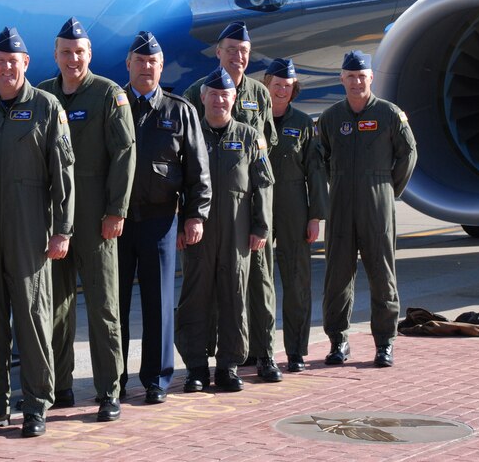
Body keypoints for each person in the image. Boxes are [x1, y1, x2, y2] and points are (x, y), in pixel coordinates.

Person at [0, 27, 75, 438]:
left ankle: (36, 406)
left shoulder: (46, 106)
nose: (7, 67)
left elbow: (64, 174)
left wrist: (63, 231)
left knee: (32, 317)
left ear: (26, 64)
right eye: (0, 61)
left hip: (30, 231)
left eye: (15, 61)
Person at [38, 17, 135, 422]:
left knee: (103, 307)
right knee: (56, 309)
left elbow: (125, 154)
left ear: (89, 54)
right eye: (65, 52)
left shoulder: (109, 95)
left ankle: (108, 390)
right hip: (55, 221)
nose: (72, 59)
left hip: (96, 218)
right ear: (56, 55)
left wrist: (117, 210)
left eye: (79, 52)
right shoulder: (42, 95)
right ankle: (60, 387)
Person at [182, 21, 282, 383]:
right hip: (207, 218)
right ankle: (200, 363)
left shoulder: (259, 93)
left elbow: (266, 148)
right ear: (218, 52)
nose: (238, 57)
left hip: (245, 216)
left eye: (244, 51)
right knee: (203, 292)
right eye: (231, 50)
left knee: (256, 288)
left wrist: (261, 223)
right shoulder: (197, 91)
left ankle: (262, 354)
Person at [119, 31, 211, 404]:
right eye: (139, 61)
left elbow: (197, 170)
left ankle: (156, 379)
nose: (146, 68)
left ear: (160, 66)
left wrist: (195, 215)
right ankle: (114, 379)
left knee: (158, 303)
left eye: (152, 62)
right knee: (115, 304)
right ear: (129, 65)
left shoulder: (179, 110)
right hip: (117, 221)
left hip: (160, 220)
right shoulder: (114, 104)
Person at [318, 50, 417, 368]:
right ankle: (338, 340)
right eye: (350, 76)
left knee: (382, 274)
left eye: (362, 76)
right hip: (341, 203)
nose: (356, 81)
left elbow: (408, 153)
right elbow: (320, 159)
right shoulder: (332, 118)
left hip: (377, 203)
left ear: (371, 78)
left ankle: (385, 343)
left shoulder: (389, 114)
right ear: (342, 79)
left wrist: (388, 189)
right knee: (337, 276)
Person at [262, 58, 328, 373]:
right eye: (278, 86)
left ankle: (296, 351)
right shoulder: (252, 119)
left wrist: (315, 216)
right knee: (255, 283)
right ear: (266, 85)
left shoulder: (303, 123)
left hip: (292, 203)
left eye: (288, 87)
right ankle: (257, 350)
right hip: (257, 202)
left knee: (297, 280)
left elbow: (315, 171)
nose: (283, 91)